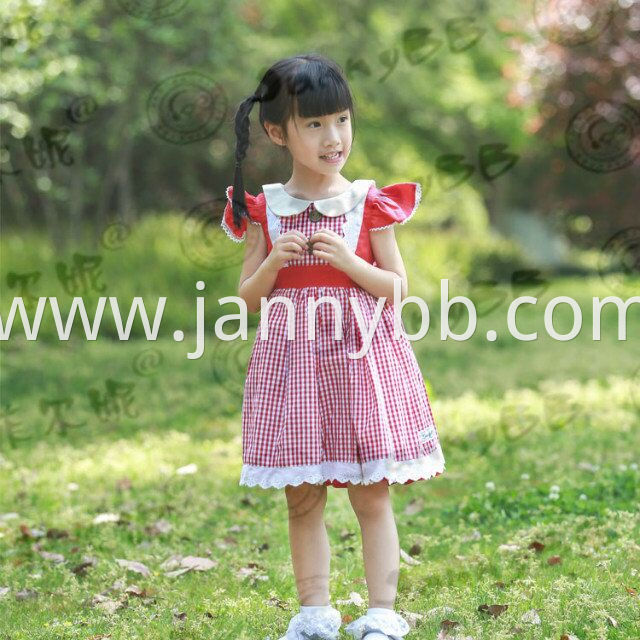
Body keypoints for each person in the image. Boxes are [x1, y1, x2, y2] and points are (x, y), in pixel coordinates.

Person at [220, 53, 446, 640]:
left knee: (371, 494)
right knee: (303, 496)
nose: (333, 137)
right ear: (277, 132)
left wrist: (349, 263)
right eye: (315, 125)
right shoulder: (265, 209)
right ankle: (315, 611)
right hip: (295, 370)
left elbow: (397, 289)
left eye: (341, 121)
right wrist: (270, 263)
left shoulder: (369, 203)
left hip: (361, 365)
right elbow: (248, 298)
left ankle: (381, 612)